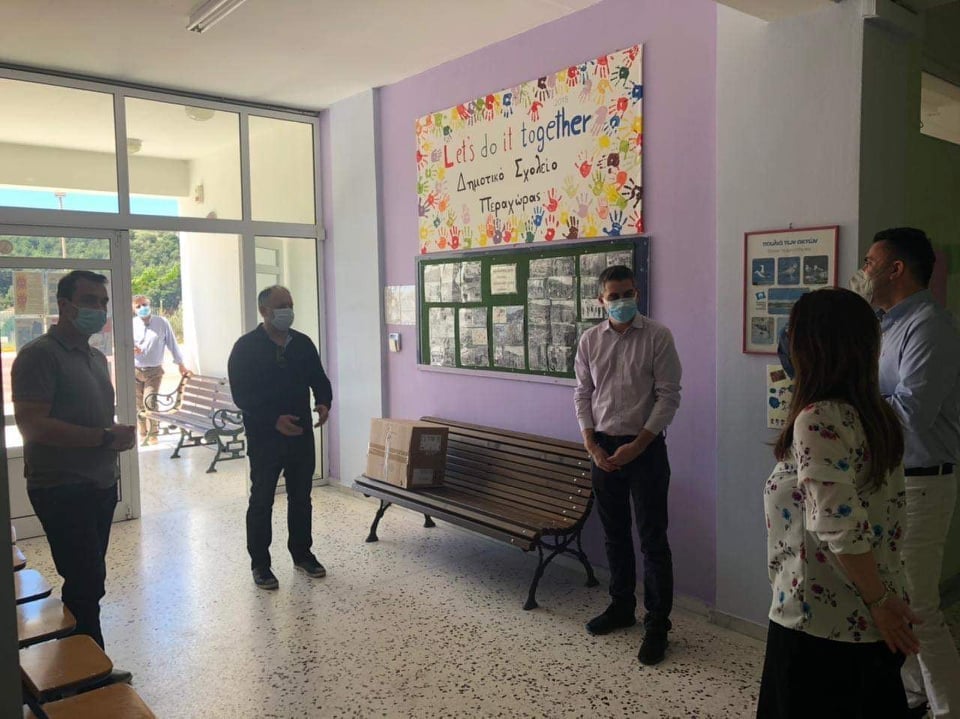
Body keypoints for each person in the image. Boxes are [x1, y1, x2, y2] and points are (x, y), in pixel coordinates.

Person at [757, 287, 921, 718]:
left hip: (819, 621)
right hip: (866, 616)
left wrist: (879, 603)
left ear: (812, 347)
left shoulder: (818, 418)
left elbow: (838, 524)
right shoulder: (875, 414)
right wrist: (882, 601)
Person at [851, 227, 960, 718]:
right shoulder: (884, 325)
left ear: (896, 269)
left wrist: (849, 406)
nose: (863, 270)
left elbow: (911, 412)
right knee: (895, 600)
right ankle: (915, 694)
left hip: (923, 481)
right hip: (893, 479)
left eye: (869, 262)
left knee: (920, 607)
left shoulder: (929, 325)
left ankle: (948, 708)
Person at [12, 270, 135, 682]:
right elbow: (33, 425)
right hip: (62, 488)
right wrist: (104, 437)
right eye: (89, 301)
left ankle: (82, 666)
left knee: (89, 580)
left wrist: (112, 436)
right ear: (65, 305)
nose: (99, 309)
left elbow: (89, 417)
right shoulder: (39, 356)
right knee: (85, 582)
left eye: (103, 301)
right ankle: (89, 678)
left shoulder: (95, 357)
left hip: (98, 484)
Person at [573, 264, 682, 666]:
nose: (622, 301)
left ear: (637, 293)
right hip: (603, 448)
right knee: (614, 534)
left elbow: (669, 396)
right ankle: (621, 607)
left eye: (628, 294)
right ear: (601, 300)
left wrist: (638, 445)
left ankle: (657, 624)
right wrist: (591, 443)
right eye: (614, 296)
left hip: (645, 449)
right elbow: (582, 394)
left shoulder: (658, 336)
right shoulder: (589, 340)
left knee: (653, 538)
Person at [228, 285, 333, 590]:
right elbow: (242, 395)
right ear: (264, 311)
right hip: (265, 438)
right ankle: (260, 564)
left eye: (290, 304)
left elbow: (319, 379)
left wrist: (324, 402)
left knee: (301, 498)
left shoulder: (302, 344)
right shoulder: (245, 347)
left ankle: (302, 554)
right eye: (280, 305)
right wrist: (274, 420)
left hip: (300, 435)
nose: (287, 310)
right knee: (262, 500)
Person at [132, 294, 190, 444]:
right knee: (138, 403)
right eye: (138, 306)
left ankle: (153, 433)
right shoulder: (132, 324)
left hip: (154, 371)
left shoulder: (161, 322)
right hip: (135, 370)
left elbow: (172, 344)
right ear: (134, 309)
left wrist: (180, 364)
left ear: (149, 304)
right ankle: (143, 433)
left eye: (144, 304)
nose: (142, 308)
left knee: (150, 401)